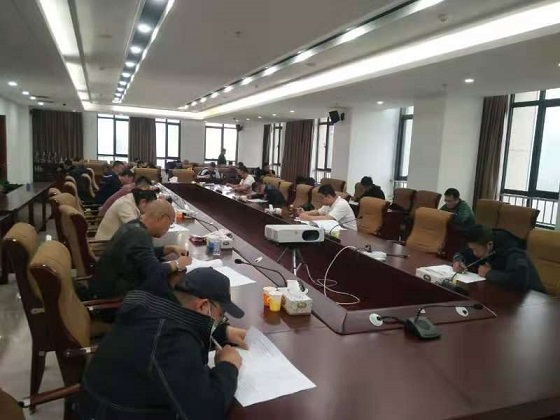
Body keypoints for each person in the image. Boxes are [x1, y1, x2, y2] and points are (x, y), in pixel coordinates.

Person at [77, 267, 246, 419]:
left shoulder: (154, 306)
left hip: (101, 401)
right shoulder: (172, 341)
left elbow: (185, 320)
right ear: (203, 306)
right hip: (112, 413)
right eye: (221, 315)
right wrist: (228, 365)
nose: (220, 319)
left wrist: (222, 332)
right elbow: (206, 411)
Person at [90, 200, 192, 300]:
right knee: (175, 289)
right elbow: (155, 272)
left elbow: (142, 255)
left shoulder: (134, 225)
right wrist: (178, 263)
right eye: (169, 224)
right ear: (163, 218)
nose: (168, 229)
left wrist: (169, 248)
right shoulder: (139, 235)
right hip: (115, 294)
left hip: (112, 283)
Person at [452, 224, 545, 293]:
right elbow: (461, 254)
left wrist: (489, 273)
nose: (474, 253)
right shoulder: (481, 242)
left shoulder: (513, 250)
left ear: (489, 244)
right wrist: (458, 261)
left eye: (475, 249)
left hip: (532, 297)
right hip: (504, 294)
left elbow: (518, 279)